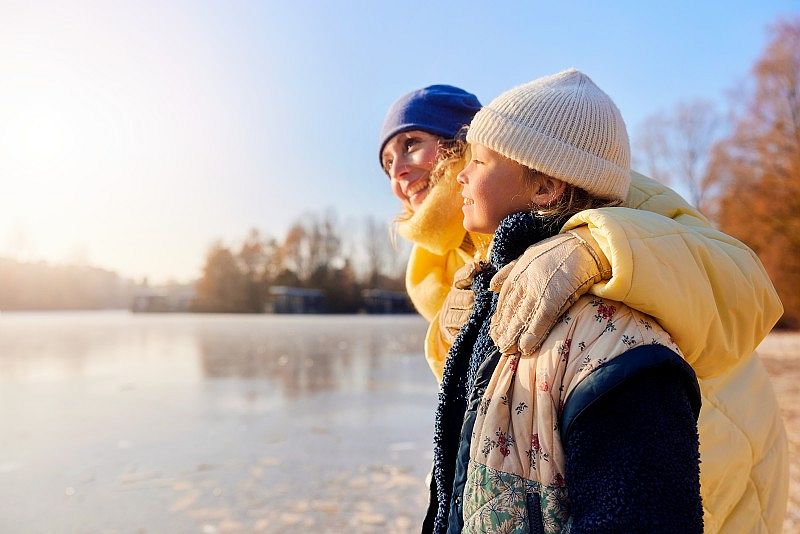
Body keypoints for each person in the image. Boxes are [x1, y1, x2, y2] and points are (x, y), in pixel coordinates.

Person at [379, 81, 788, 533]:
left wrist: (598, 247)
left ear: (462, 140)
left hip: (711, 439)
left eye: (411, 144)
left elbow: (746, 286)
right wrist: (454, 333)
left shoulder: (574, 165)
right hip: (578, 462)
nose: (398, 169)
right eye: (387, 160)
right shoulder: (438, 263)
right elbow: (480, 395)